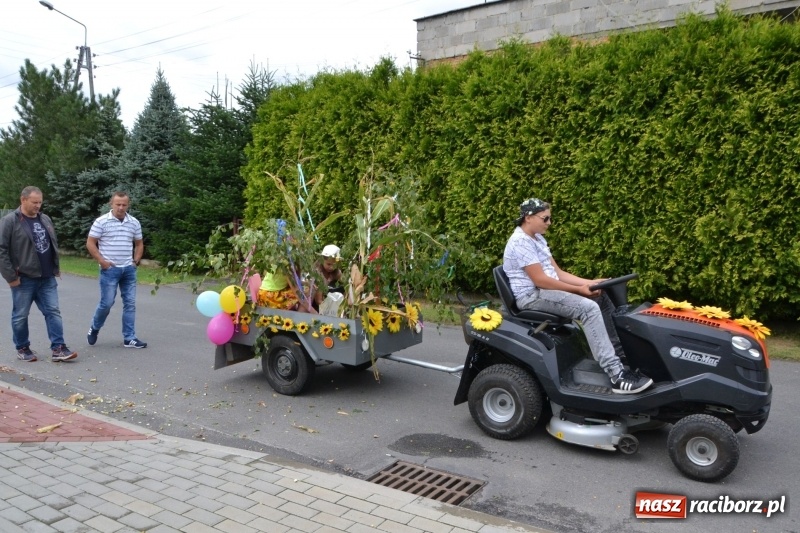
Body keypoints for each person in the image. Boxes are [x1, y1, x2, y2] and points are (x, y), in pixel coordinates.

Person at [503, 198, 653, 394]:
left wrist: (589, 283)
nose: (549, 223)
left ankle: (620, 357)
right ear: (529, 217)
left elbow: (557, 272)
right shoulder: (520, 242)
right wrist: (579, 290)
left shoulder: (537, 238)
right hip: (532, 296)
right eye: (545, 218)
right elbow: (541, 280)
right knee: (588, 308)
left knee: (600, 296)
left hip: (544, 291)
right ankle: (617, 376)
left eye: (550, 219)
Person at [0, 186, 77, 362]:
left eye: (40, 202)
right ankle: (23, 348)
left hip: (47, 277)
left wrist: (55, 268)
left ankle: (58, 348)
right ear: (23, 200)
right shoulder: (10, 221)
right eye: (34, 202)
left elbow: (51, 245)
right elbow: (1, 250)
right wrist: (11, 277)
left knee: (53, 311)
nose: (38, 206)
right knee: (20, 315)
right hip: (23, 278)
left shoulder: (45, 219)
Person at [85, 191, 147, 349]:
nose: (121, 207)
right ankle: (95, 327)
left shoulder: (133, 222)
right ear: (111, 204)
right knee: (106, 303)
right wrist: (102, 261)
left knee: (130, 304)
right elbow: (91, 243)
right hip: (109, 270)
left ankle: (129, 338)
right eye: (117, 204)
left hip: (128, 269)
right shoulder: (101, 222)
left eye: (124, 205)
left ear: (128, 205)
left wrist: (136, 261)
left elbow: (139, 243)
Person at [313, 244, 344, 309]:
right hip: (318, 304)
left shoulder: (336, 272)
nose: (331, 267)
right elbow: (318, 300)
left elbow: (344, 282)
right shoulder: (318, 272)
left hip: (331, 301)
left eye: (334, 265)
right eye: (328, 264)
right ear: (322, 260)